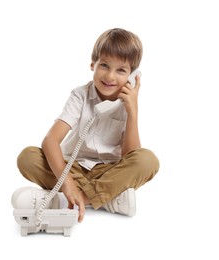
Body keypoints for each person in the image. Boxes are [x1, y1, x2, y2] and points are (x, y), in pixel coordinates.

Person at [11, 28, 160, 223]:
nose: (110, 77)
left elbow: (131, 157)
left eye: (121, 70)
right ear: (93, 64)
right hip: (72, 167)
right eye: (105, 65)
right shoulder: (80, 95)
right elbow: (50, 141)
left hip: (108, 171)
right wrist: (68, 182)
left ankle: (69, 199)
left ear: (133, 76)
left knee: (147, 160)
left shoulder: (128, 103)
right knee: (28, 157)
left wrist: (132, 112)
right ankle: (107, 198)